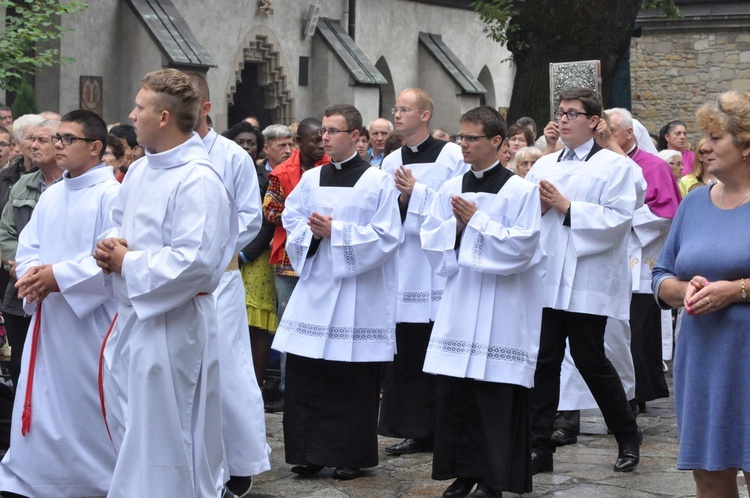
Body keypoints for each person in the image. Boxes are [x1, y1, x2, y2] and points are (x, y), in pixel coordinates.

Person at [94, 69, 235, 498]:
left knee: (169, 432)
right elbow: (119, 225)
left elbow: (196, 263)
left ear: (163, 118)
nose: (131, 115)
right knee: (136, 425)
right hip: (136, 316)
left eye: (139, 107)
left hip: (175, 324)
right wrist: (109, 247)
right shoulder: (139, 172)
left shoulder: (199, 178)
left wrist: (128, 262)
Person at [271, 104, 401, 481]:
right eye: (323, 131)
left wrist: (338, 233)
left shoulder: (377, 182)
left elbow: (388, 236)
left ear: (356, 137)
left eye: (333, 131)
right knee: (307, 373)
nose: (325, 137)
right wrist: (310, 234)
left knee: (349, 378)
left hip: (357, 294)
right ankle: (308, 452)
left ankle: (349, 454)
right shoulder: (311, 179)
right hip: (316, 289)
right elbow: (291, 218)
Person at [421, 106, 545, 498]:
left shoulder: (521, 191)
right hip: (461, 302)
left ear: (497, 142)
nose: (464, 145)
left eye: (472, 138)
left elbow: (523, 248)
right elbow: (430, 239)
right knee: (457, 393)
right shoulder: (450, 188)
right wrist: (455, 227)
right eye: (460, 137)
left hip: (503, 307)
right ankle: (463, 471)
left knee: (494, 395)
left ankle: (493, 478)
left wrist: (477, 222)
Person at [0, 110, 119, 498]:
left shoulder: (112, 194)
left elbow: (111, 256)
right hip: (49, 316)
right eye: (58, 139)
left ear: (96, 147)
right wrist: (33, 275)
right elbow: (28, 245)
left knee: (85, 399)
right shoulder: (52, 194)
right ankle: (36, 474)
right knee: (43, 397)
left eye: (68, 139)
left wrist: (59, 278)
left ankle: (95, 477)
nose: (57, 146)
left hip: (91, 320)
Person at [525, 87, 641, 475]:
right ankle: (539, 446)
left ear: (594, 122)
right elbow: (524, 216)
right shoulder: (544, 166)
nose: (563, 119)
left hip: (587, 277)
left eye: (573, 113)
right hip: (548, 275)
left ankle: (626, 432)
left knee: (590, 359)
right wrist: (536, 208)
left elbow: (619, 219)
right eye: (560, 113)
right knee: (544, 361)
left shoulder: (615, 166)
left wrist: (567, 207)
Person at [652, 90, 750, 498]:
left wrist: (738, 290)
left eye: (714, 137)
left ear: (746, 145)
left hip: (746, 354)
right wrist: (682, 288)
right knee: (709, 476)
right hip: (702, 356)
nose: (702, 148)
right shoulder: (693, 203)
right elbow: (661, 275)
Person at [188, 72, 269, 498]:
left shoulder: (233, 157)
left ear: (204, 108)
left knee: (225, 369)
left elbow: (248, 219)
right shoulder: (155, 156)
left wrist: (207, 258)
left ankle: (237, 461)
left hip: (218, 280)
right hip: (175, 285)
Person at [379, 88, 467, 456]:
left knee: (439, 346)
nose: (397, 115)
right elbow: (383, 211)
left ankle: (444, 426)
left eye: (404, 109)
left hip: (438, 267)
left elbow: (457, 205)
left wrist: (417, 193)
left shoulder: (450, 156)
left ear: (425, 115)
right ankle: (414, 427)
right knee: (409, 350)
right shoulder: (390, 160)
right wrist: (400, 201)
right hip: (404, 266)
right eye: (396, 109)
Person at [262, 118, 328, 412]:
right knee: (290, 326)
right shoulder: (281, 172)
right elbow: (270, 210)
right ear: (300, 142)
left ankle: (321, 388)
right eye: (315, 139)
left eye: (323, 137)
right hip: (288, 262)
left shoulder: (332, 168)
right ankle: (291, 390)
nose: (321, 143)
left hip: (324, 258)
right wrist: (300, 213)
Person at [0, 120, 62, 393]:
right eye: (32, 139)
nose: (33, 145)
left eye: (42, 140)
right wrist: (24, 268)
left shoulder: (74, 186)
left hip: (59, 292)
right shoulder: (23, 184)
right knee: (19, 365)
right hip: (20, 291)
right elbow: (5, 232)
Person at [225, 121, 278, 390]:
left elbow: (268, 221)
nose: (245, 147)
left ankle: (254, 385)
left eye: (251, 143)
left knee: (255, 324)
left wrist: (243, 254)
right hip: (223, 259)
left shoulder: (266, 178)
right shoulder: (218, 172)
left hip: (254, 259)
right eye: (240, 142)